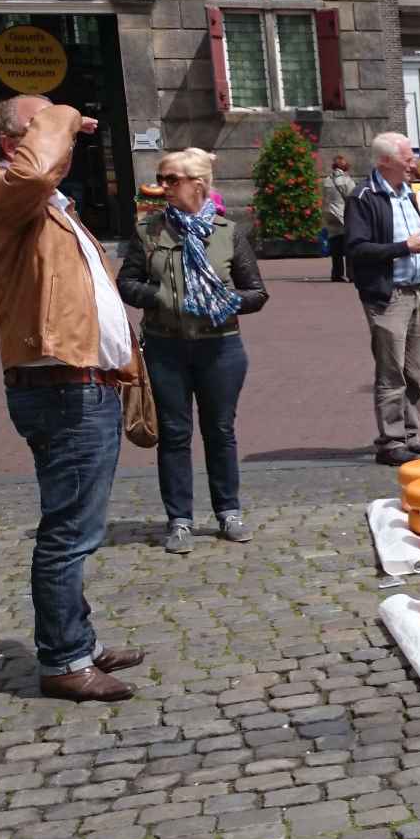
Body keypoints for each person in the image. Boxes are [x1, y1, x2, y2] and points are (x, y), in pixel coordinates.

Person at [0, 95, 144, 703]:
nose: (65, 134)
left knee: (76, 525)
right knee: (69, 532)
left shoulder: (48, 205)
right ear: (11, 143)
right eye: (42, 124)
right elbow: (35, 172)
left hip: (82, 386)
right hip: (61, 389)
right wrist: (63, 114)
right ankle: (64, 658)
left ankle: (78, 642)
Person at [117, 148, 268, 554]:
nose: (162, 187)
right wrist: (161, 296)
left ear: (197, 184)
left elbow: (256, 292)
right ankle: (179, 519)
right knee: (174, 434)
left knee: (220, 431)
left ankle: (228, 512)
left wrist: (226, 301)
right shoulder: (149, 232)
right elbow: (126, 283)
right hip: (165, 346)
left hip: (220, 347)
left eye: (171, 179)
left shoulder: (227, 232)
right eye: (160, 179)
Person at [344, 132, 420, 467]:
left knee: (414, 371)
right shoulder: (364, 197)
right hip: (387, 296)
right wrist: (404, 248)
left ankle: (411, 436)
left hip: (414, 292)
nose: (413, 163)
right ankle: (390, 442)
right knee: (391, 372)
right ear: (385, 161)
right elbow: (356, 249)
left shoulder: (408, 194)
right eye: (407, 157)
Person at [322, 155, 356, 283]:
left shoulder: (327, 180)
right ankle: (352, 274)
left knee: (335, 246)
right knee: (349, 245)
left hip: (329, 213)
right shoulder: (346, 180)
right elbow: (352, 198)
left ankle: (336, 274)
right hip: (343, 214)